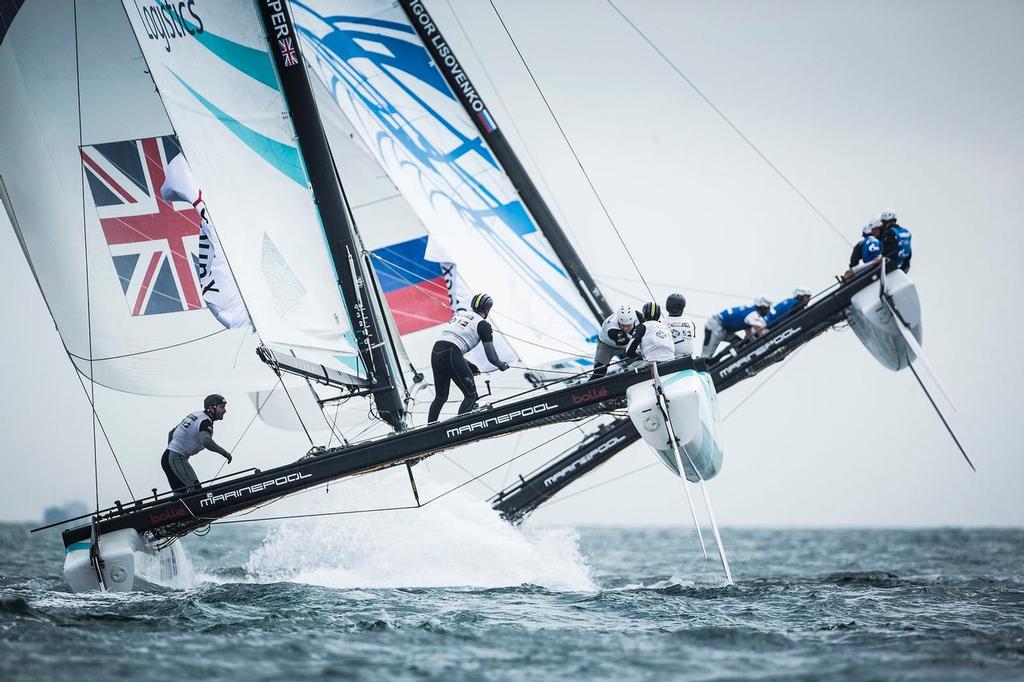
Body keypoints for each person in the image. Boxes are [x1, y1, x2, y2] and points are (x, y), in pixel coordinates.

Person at [427, 293, 509, 423]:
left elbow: (451, 342)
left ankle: (429, 429)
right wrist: (501, 365)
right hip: (451, 352)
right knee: (471, 395)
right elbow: (491, 357)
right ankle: (461, 426)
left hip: (436, 351)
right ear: (487, 309)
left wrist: (467, 364)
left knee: (440, 397)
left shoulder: (460, 315)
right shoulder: (483, 325)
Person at [161, 394, 232, 494]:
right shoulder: (205, 421)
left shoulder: (197, 415)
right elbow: (206, 441)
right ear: (211, 408)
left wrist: (171, 453)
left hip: (168, 457)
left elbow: (171, 432)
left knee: (181, 498)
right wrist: (225, 453)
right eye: (222, 407)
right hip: (176, 459)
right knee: (197, 494)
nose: (225, 411)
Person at [702, 296, 772, 359]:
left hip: (724, 329)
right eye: (768, 308)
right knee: (706, 355)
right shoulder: (754, 314)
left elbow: (749, 334)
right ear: (763, 307)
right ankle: (702, 367)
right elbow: (759, 331)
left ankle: (716, 359)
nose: (768, 310)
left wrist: (751, 343)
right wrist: (768, 343)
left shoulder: (750, 311)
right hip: (716, 326)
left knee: (738, 343)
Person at [592, 304, 641, 378]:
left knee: (639, 361)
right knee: (599, 371)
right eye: (623, 325)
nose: (626, 328)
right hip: (606, 344)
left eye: (628, 325)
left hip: (626, 342)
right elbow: (628, 343)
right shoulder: (611, 328)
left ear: (634, 320)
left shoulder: (639, 317)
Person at [663, 293, 697, 358]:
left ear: (667, 306)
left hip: (671, 360)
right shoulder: (691, 323)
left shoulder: (661, 323)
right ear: (683, 307)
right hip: (688, 359)